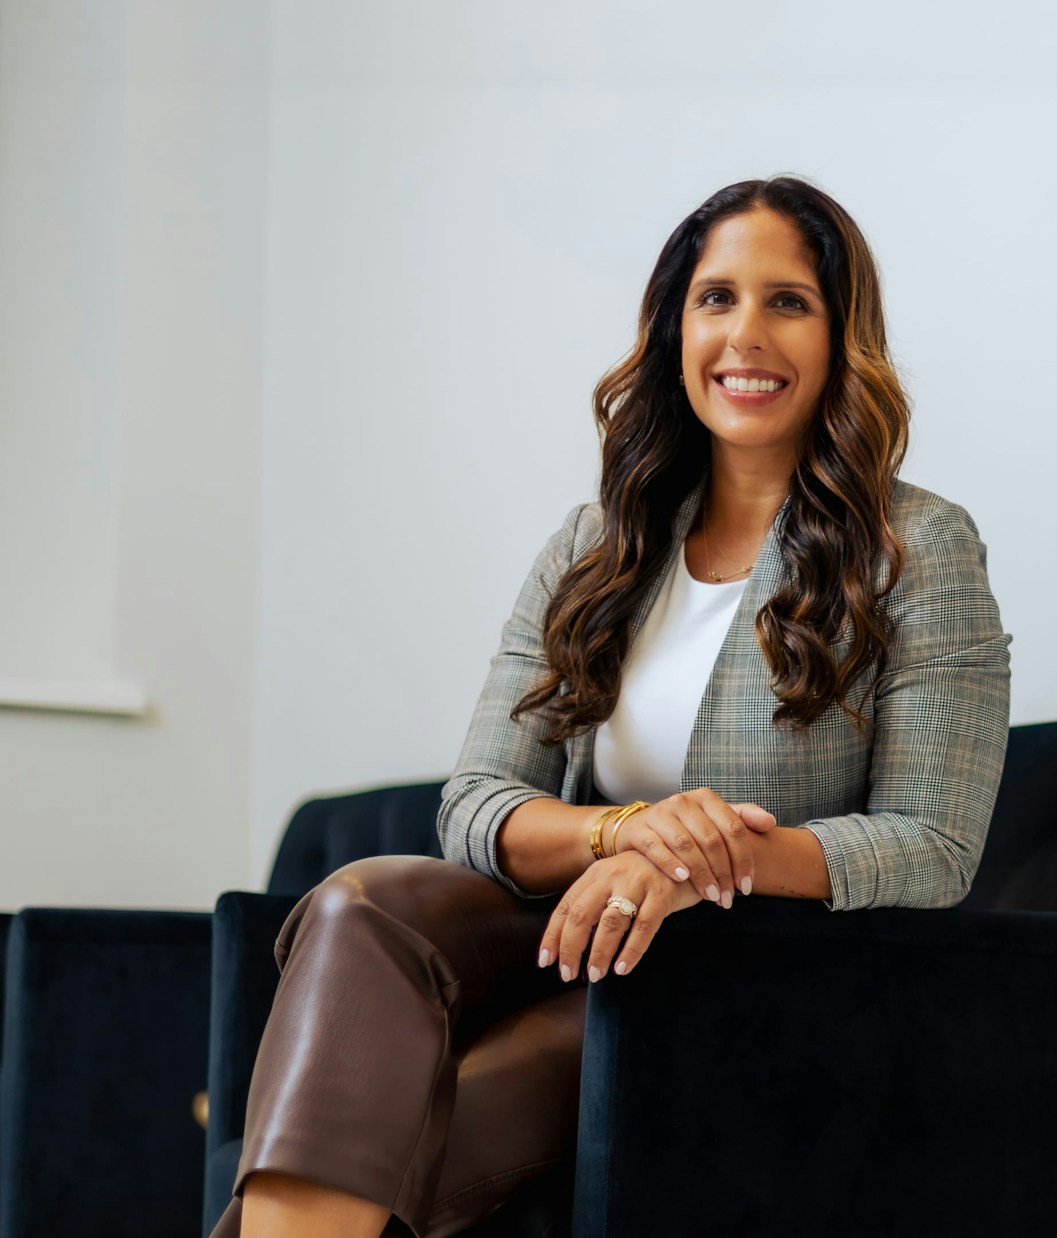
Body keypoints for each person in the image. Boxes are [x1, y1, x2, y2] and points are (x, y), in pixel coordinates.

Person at [210, 176, 1013, 1238]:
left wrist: (689, 860)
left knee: (429, 1110)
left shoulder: (918, 547)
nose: (746, 334)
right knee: (361, 902)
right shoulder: (596, 543)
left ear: (841, 335)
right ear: (676, 329)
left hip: (750, 968)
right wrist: (624, 831)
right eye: (716, 298)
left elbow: (932, 845)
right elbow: (475, 802)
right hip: (565, 932)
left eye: (789, 301)